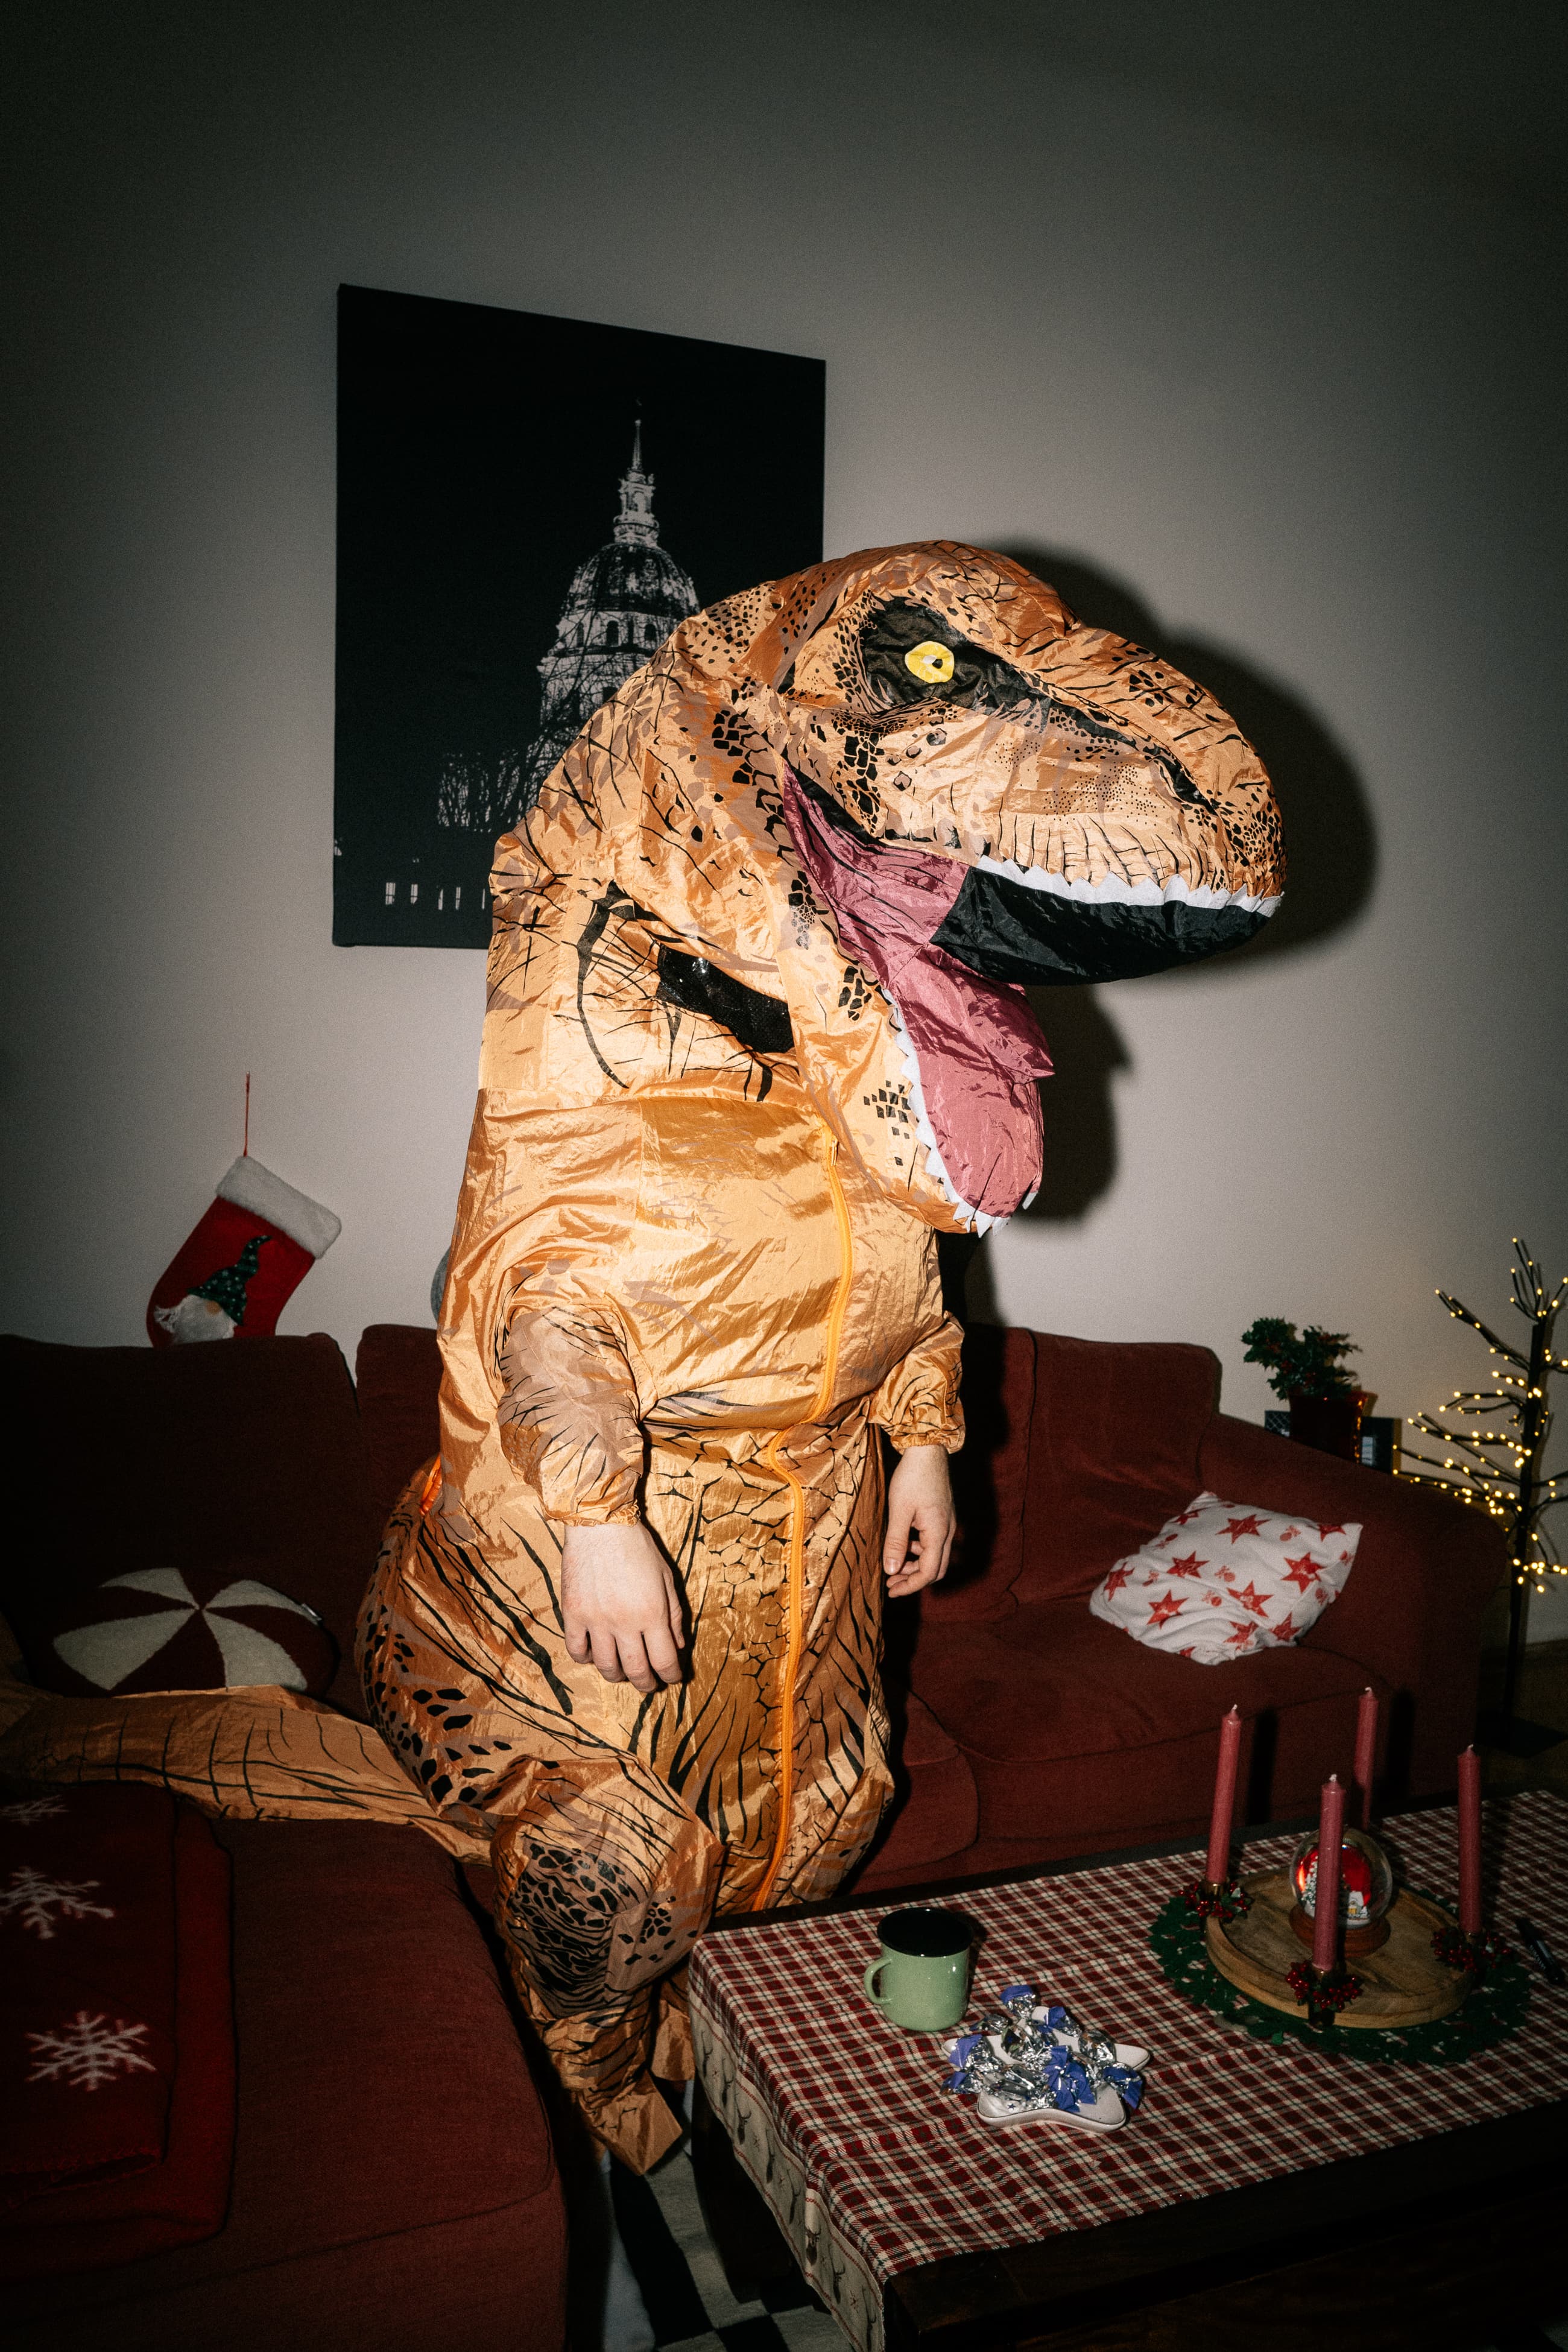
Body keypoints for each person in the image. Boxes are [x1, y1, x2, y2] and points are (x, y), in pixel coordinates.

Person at [358, 540, 1283, 2170]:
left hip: (814, 1529)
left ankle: (729, 2077)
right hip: (623, 1544)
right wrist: (595, 1517)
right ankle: (603, 2125)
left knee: (827, 1811)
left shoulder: (821, 1041)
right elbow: (545, 1292)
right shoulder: (603, 1035)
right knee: (616, 1870)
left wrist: (925, 1439)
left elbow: (904, 1264)